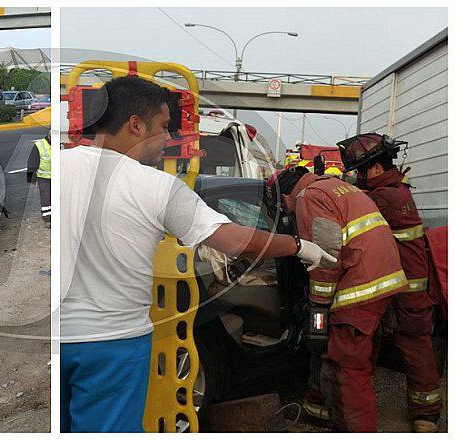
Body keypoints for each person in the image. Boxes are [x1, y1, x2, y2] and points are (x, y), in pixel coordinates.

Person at [60, 76, 336, 433]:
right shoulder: (155, 186)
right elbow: (235, 242)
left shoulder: (60, 167)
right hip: (113, 341)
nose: (170, 138)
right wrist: (299, 246)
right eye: (163, 127)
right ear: (135, 125)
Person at [266, 165, 409, 432]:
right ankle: (323, 407)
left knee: (347, 366)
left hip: (362, 285)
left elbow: (326, 256)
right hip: (386, 274)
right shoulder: (335, 186)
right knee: (361, 357)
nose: (288, 213)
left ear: (284, 198)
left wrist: (318, 306)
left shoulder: (307, 197)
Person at [339, 133, 442, 432]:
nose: (359, 177)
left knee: (414, 343)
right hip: (395, 281)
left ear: (374, 169)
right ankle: (423, 410)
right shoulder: (396, 189)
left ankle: (427, 411)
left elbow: (350, 210)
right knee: (397, 340)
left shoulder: (384, 197)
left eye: (361, 171)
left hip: (406, 287)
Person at [27, 132, 52, 227]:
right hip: (43, 177)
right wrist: (31, 179)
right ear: (49, 137)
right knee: (46, 197)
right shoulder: (39, 145)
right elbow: (32, 162)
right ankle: (47, 218)